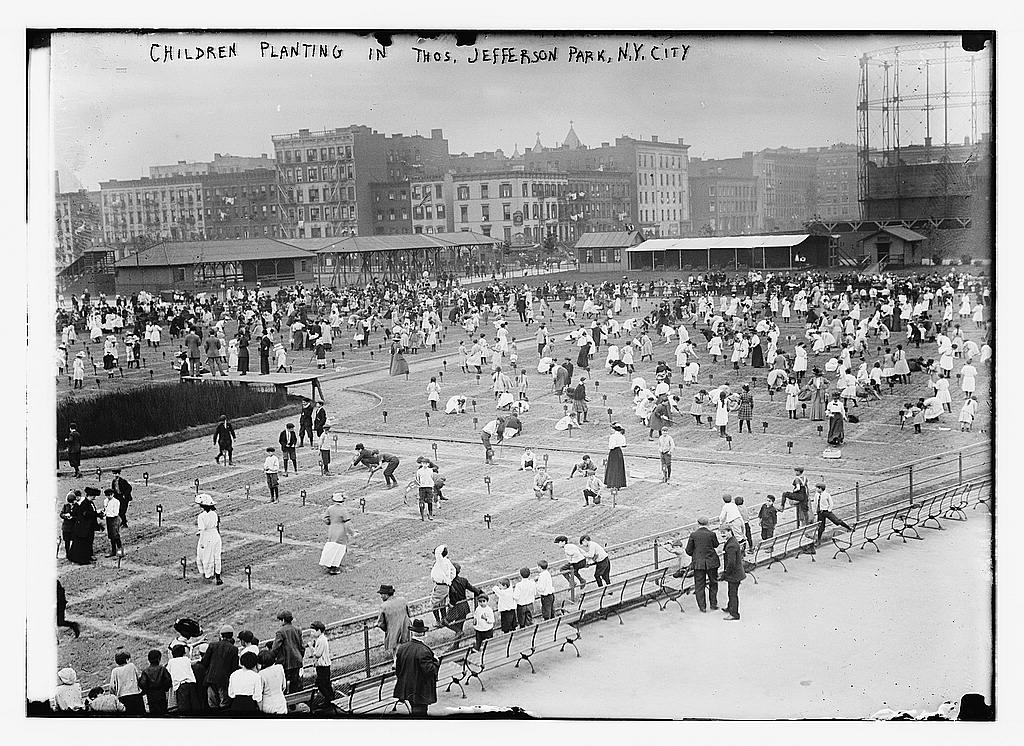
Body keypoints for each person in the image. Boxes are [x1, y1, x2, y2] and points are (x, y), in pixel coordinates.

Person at [393, 619, 440, 716]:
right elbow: (430, 671)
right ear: (423, 633)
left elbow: (398, 669)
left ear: (412, 632)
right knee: (421, 712)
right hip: (420, 690)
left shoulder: (402, 648)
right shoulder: (424, 650)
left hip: (407, 687)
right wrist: (436, 661)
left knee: (414, 707)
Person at [684, 517, 720, 611]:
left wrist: (696, 554)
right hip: (711, 562)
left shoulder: (693, 535)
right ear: (708, 524)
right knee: (713, 583)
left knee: (699, 585)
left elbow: (688, 550)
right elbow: (716, 545)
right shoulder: (711, 534)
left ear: (698, 524)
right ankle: (713, 604)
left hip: (698, 564)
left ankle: (702, 607)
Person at [201, 625, 239, 711]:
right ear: (232, 635)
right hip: (224, 681)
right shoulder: (234, 649)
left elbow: (204, 662)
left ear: (221, 635)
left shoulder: (212, 645)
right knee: (224, 705)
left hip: (211, 679)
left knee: (212, 705)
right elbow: (234, 667)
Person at [272, 610, 305, 694]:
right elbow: (302, 647)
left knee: (283, 684)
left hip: (285, 663)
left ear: (283, 620)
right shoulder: (297, 630)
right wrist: (300, 656)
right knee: (295, 684)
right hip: (297, 661)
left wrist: (273, 658)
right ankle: (293, 704)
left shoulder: (280, 631)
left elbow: (275, 648)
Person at [319, 493, 353, 575]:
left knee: (331, 546)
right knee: (339, 548)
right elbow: (347, 523)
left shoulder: (330, 508)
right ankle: (335, 567)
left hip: (332, 530)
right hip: (341, 531)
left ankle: (328, 564)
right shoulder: (343, 510)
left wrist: (331, 522)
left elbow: (325, 519)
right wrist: (352, 532)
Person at [719, 526, 746, 621]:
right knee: (731, 592)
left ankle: (734, 613)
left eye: (724, 532)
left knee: (732, 593)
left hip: (734, 574)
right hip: (737, 573)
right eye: (721, 533)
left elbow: (731, 562)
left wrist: (725, 573)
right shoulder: (733, 541)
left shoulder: (731, 545)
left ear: (730, 531)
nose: (722, 534)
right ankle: (730, 607)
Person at [195, 494, 223, 584]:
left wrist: (202, 542)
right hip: (215, 536)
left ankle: (207, 575)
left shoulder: (201, 516)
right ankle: (218, 576)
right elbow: (216, 526)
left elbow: (202, 530)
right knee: (216, 556)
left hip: (207, 537)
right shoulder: (215, 514)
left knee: (205, 555)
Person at [377, 584, 412, 654]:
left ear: (386, 594)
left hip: (393, 634)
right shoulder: (403, 600)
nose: (381, 596)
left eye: (382, 594)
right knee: (407, 651)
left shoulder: (384, 606)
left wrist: (388, 630)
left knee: (396, 653)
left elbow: (380, 623)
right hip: (406, 631)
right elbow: (409, 614)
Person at [307, 621, 334, 711]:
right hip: (322, 666)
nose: (311, 633)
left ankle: (330, 700)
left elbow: (318, 654)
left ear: (319, 630)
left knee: (321, 685)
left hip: (323, 666)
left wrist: (311, 647)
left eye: (313, 631)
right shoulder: (319, 639)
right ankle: (330, 700)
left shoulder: (322, 640)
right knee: (326, 684)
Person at [68, 488, 99, 565]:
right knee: (84, 544)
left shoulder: (89, 503)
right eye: (94, 496)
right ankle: (83, 559)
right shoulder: (85, 504)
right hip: (84, 527)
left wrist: (97, 514)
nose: (94, 497)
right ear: (90, 496)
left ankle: (88, 556)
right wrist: (96, 513)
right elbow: (86, 514)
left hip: (89, 527)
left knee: (88, 542)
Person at [167, 644, 201, 713]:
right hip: (191, 684)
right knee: (195, 705)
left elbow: (168, 672)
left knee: (184, 708)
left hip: (180, 686)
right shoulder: (186, 659)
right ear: (184, 653)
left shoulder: (171, 662)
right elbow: (191, 661)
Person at [139, 649, 172, 715]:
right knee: (163, 712)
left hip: (151, 695)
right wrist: (165, 688)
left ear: (148, 660)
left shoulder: (145, 671)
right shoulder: (162, 669)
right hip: (161, 694)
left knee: (153, 713)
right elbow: (168, 680)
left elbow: (142, 683)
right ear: (159, 659)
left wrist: (146, 690)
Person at [429, 545, 456, 626]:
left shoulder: (441, 561)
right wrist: (449, 580)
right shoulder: (447, 562)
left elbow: (437, 553)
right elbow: (453, 571)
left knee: (434, 604)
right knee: (442, 603)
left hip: (440, 586)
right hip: (444, 586)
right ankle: (443, 619)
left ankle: (438, 621)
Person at [257, 649, 287, 714]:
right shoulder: (279, 668)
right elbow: (284, 686)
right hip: (281, 702)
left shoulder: (261, 674)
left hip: (268, 704)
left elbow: (259, 693)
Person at [604, 423, 627, 499]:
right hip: (619, 452)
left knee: (613, 468)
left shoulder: (613, 437)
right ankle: (618, 484)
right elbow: (624, 444)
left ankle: (612, 483)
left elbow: (611, 446)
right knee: (619, 468)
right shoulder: (622, 436)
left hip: (614, 452)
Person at [102, 488, 123, 558]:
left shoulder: (116, 502)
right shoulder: (105, 501)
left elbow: (116, 513)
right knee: (111, 536)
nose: (109, 497)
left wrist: (107, 514)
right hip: (108, 519)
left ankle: (120, 552)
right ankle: (113, 551)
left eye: (110, 495)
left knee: (116, 535)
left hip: (114, 519)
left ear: (113, 494)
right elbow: (105, 509)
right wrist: (104, 513)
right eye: (107, 495)